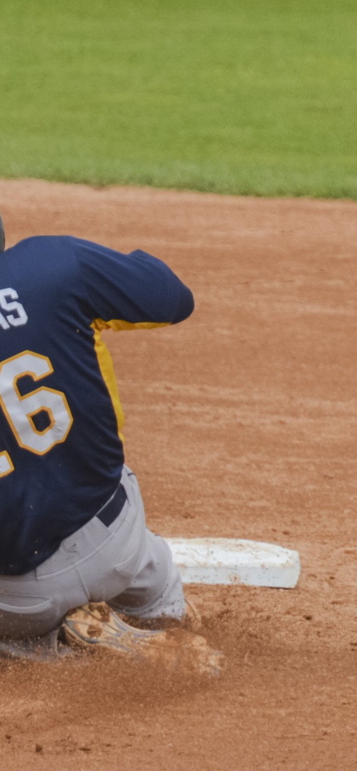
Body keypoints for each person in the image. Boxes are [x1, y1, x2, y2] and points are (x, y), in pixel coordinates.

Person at [0, 209, 201, 661]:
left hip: (11, 597)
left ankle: (51, 646)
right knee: (151, 567)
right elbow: (173, 298)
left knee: (12, 634)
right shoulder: (54, 264)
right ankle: (162, 612)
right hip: (113, 540)